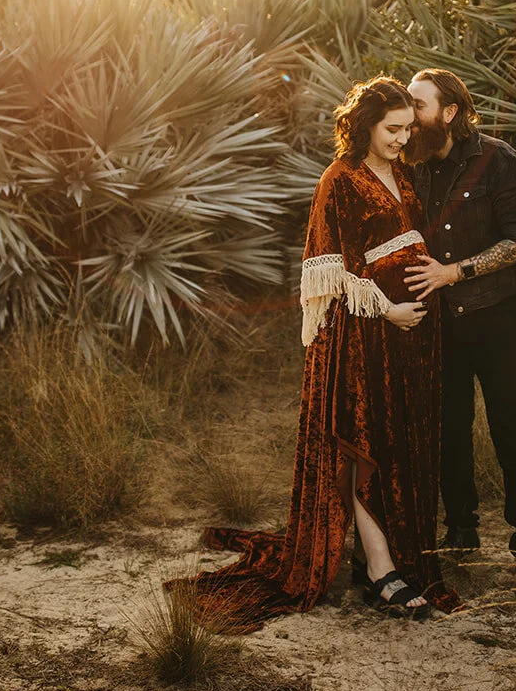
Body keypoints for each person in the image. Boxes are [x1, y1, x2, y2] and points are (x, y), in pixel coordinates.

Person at [167, 77, 459, 630]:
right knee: (361, 443)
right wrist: (387, 308)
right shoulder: (338, 180)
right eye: (391, 130)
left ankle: (390, 558)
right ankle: (380, 568)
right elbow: (327, 270)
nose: (401, 139)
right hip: (359, 335)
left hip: (410, 340)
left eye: (405, 129)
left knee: (398, 448)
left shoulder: (401, 172)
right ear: (364, 126)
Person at [402, 68, 516, 599]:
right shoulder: (412, 167)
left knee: (512, 433)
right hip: (439, 324)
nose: (409, 115)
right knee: (449, 431)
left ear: (449, 112)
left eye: (418, 104)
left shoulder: (498, 159)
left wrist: (454, 272)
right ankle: (461, 530)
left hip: (498, 320)